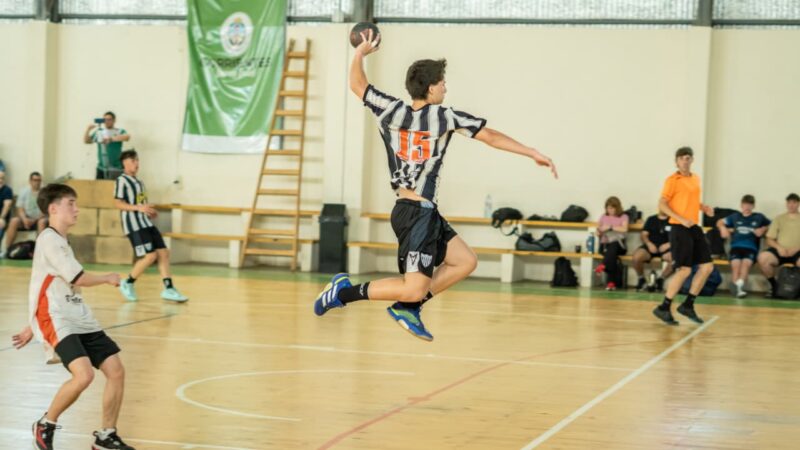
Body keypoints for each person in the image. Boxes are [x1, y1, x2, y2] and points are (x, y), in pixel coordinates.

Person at [312, 29, 558, 341]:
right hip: (416, 214)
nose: (445, 86)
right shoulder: (445, 117)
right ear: (431, 88)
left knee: (464, 261)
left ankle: (409, 307)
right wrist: (532, 152)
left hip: (420, 211)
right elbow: (491, 137)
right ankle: (344, 292)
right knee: (413, 286)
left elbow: (357, 85)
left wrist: (360, 53)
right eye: (442, 82)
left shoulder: (391, 109)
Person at [11, 183, 135, 450]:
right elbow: (78, 277)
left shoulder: (62, 240)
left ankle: (106, 436)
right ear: (53, 208)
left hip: (76, 313)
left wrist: (31, 325)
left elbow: (47, 283)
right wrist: (107, 278)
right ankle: (46, 423)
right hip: (58, 319)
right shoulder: (48, 239)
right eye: (71, 204)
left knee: (116, 370)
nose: (77, 210)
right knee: (84, 376)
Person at [115, 150, 188, 303]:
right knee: (150, 256)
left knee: (163, 253)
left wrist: (147, 210)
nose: (137, 164)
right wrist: (138, 208)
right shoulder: (122, 180)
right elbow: (118, 203)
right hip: (134, 225)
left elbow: (140, 204)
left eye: (137, 160)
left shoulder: (140, 183)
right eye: (133, 161)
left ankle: (169, 289)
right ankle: (127, 283)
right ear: (124, 163)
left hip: (145, 222)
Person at [652, 146, 715, 325]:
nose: (685, 161)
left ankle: (688, 305)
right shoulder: (672, 180)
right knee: (685, 270)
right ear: (677, 161)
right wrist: (680, 218)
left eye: (688, 158)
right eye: (682, 158)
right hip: (679, 228)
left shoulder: (695, 178)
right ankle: (664, 307)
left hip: (694, 227)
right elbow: (662, 204)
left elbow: (690, 201)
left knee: (707, 267)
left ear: (692, 160)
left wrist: (703, 208)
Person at [717, 195, 770, 298]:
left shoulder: (759, 217)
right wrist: (723, 228)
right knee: (736, 266)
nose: (747, 207)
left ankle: (740, 288)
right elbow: (719, 222)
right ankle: (737, 289)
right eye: (745, 205)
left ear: (753, 206)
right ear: (741, 205)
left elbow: (771, 224)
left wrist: (763, 229)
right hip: (736, 247)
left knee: (745, 264)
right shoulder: (735, 216)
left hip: (751, 248)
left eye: (750, 205)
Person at [757, 193, 800, 297]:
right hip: (781, 251)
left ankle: (797, 290)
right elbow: (769, 239)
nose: (791, 205)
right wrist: (779, 248)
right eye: (789, 202)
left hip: (797, 251)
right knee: (763, 258)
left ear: (798, 204)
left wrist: (796, 248)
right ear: (786, 204)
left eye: (794, 202)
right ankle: (774, 287)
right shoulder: (779, 218)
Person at [3, 172, 47, 254]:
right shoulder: (24, 191)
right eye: (35, 180)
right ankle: (7, 250)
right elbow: (20, 208)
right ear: (30, 181)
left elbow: (45, 210)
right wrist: (24, 219)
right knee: (14, 221)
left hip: (39, 219)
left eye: (39, 180)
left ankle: (39, 253)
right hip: (25, 219)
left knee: (42, 222)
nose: (37, 182)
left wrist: (34, 220)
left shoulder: (44, 193)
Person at [631, 209, 674, 292]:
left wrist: (668, 244)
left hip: (666, 248)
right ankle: (641, 279)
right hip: (650, 246)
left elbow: (678, 237)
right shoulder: (651, 219)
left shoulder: (673, 220)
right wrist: (649, 244)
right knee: (636, 257)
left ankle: (660, 280)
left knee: (676, 259)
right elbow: (644, 235)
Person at [595, 196, 629, 290]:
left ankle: (603, 265)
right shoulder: (603, 216)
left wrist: (610, 227)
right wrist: (600, 232)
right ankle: (611, 283)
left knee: (613, 247)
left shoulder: (623, 216)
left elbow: (624, 229)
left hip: (619, 245)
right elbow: (598, 230)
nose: (610, 210)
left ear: (617, 208)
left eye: (612, 208)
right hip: (605, 244)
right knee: (611, 256)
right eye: (608, 208)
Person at [83, 111, 130, 180]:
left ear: (114, 120)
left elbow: (127, 137)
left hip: (116, 168)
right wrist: (88, 130)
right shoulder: (99, 132)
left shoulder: (119, 131)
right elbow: (87, 141)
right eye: (105, 120)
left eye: (109, 119)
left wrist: (111, 139)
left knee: (115, 189)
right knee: (100, 189)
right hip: (101, 168)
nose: (107, 121)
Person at [0, 170, 13, 241]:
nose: (0, 180)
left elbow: (6, 206)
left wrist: (1, 218)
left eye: (2, 178)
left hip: (3, 218)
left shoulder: (7, 190)